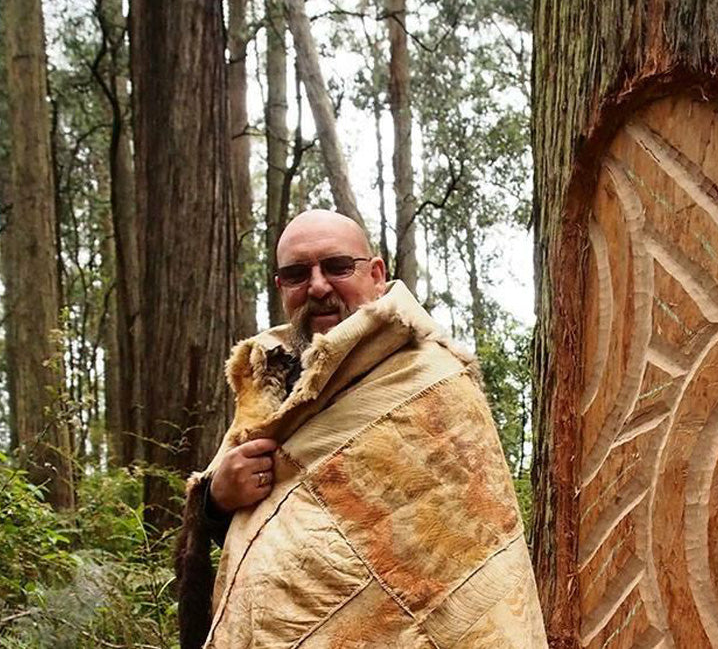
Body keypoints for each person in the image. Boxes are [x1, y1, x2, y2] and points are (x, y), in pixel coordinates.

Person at [175, 210, 546, 649]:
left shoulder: (434, 384)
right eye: (297, 274)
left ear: (375, 273)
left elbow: (471, 567)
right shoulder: (268, 384)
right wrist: (217, 500)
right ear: (281, 288)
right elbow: (257, 529)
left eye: (337, 267)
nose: (317, 286)